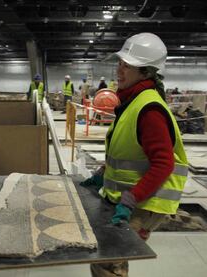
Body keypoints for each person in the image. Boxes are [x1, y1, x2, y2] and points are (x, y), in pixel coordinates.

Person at [81, 32, 188, 277]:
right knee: (107, 256)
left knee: (110, 260)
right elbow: (130, 150)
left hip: (145, 201)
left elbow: (163, 163)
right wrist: (102, 174)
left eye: (127, 66)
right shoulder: (133, 101)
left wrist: (130, 200)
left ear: (146, 72)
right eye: (119, 63)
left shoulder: (149, 109)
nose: (119, 70)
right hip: (133, 196)